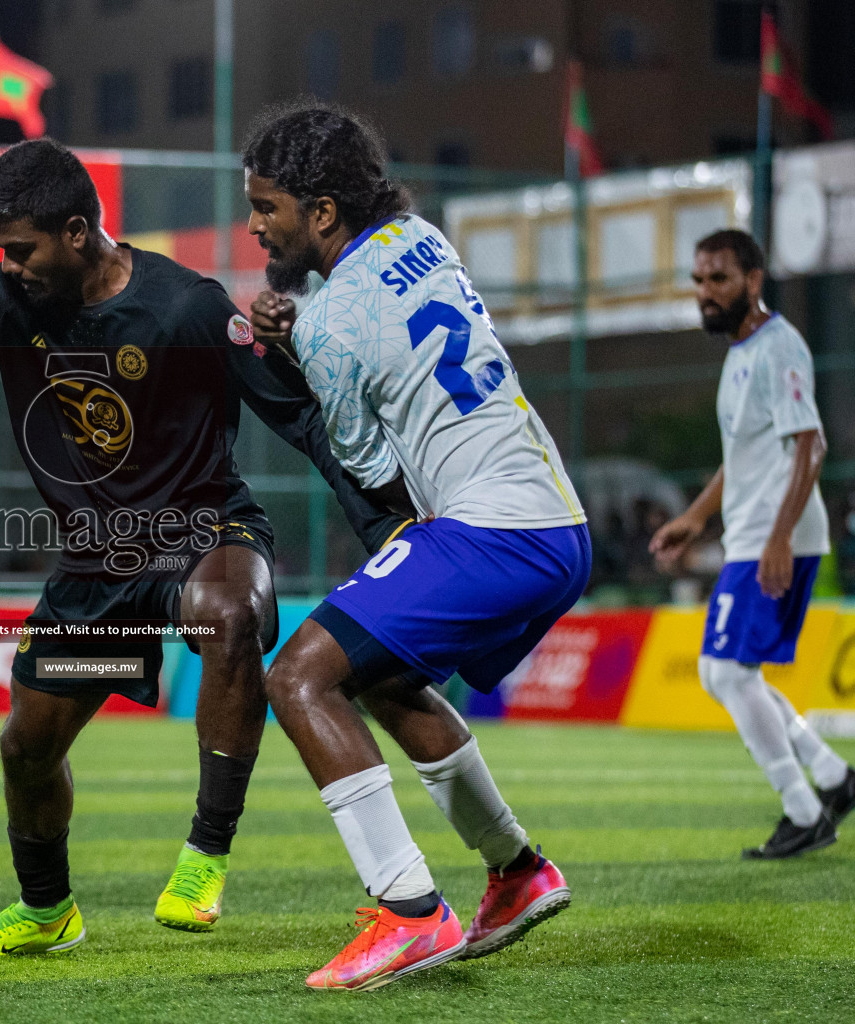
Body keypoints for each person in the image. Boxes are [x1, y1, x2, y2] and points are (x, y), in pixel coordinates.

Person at [0, 138, 413, 957]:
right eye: (1, 251)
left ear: (78, 231)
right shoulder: (5, 300)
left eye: (22, 249)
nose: (9, 266)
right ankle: (49, 912)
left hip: (204, 531)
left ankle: (204, 856)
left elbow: (298, 417)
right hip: (98, 565)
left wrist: (386, 529)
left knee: (228, 615)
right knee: (26, 748)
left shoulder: (187, 307)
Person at [241, 103, 589, 991]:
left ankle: (408, 912)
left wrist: (297, 356)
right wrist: (311, 343)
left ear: (322, 212)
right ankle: (516, 872)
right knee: (384, 674)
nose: (255, 224)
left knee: (297, 676)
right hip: (556, 520)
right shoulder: (421, 236)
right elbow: (384, 337)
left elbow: (369, 470)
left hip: (493, 531)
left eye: (268, 207)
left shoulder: (325, 323)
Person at [650, 229, 853, 859]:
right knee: (725, 673)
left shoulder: (779, 345)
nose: (706, 292)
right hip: (749, 535)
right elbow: (741, 458)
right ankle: (831, 776)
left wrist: (779, 538)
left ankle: (805, 809)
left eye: (719, 278)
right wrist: (694, 517)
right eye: (700, 280)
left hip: (772, 538)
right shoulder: (741, 353)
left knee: (730, 673)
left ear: (753, 281)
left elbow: (810, 445)